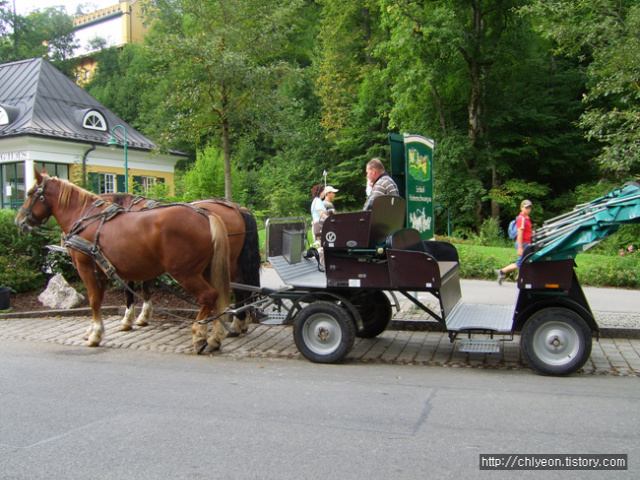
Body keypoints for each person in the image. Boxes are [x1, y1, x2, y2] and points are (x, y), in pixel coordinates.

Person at [496, 199, 533, 285]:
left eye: (529, 207)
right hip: (522, 243)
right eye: (526, 207)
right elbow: (520, 232)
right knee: (521, 262)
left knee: (526, 261)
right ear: (521, 208)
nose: (528, 209)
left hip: (526, 243)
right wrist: (520, 247)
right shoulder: (522, 218)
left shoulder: (526, 218)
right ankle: (502, 271)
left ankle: (520, 277)